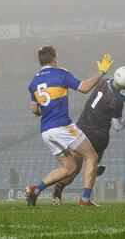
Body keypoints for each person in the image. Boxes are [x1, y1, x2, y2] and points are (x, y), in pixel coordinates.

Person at [25, 46, 112, 206]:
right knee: (91, 157)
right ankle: (85, 199)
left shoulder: (34, 81)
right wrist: (101, 72)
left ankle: (35, 190)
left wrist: (40, 111)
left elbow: (34, 109)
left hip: (46, 131)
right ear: (54, 58)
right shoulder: (61, 74)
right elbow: (84, 88)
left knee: (70, 167)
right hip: (62, 126)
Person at [50, 73, 125, 205]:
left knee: (74, 169)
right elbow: (117, 127)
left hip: (80, 128)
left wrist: (121, 95)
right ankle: (89, 183)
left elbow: (108, 93)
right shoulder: (116, 102)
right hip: (98, 135)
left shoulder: (103, 82)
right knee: (92, 161)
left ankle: (60, 186)